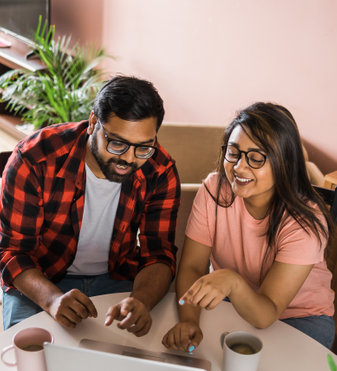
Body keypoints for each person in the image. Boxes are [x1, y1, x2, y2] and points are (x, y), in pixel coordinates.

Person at [0, 75, 180, 336]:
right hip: (41, 277)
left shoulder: (160, 170)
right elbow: (12, 253)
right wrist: (51, 300)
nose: (128, 159)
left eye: (143, 147)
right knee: (30, 362)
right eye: (117, 143)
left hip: (117, 278)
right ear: (94, 121)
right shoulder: (35, 159)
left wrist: (141, 300)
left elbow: (159, 254)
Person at [162, 102, 335, 351]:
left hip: (300, 318)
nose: (239, 167)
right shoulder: (214, 190)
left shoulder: (304, 222)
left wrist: (232, 281)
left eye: (256, 158)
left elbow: (266, 313)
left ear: (284, 162)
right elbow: (192, 266)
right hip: (236, 302)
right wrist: (189, 321)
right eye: (233, 153)